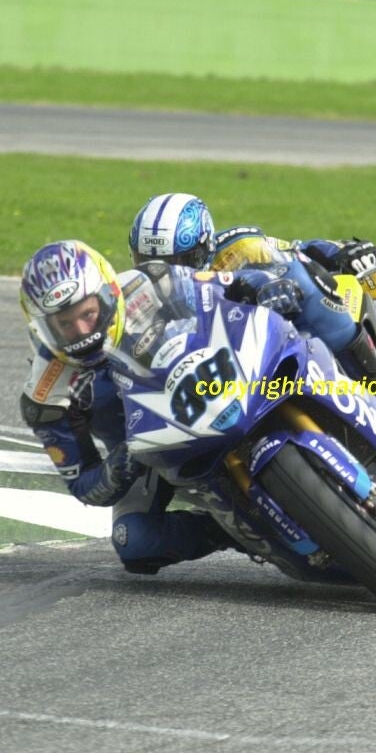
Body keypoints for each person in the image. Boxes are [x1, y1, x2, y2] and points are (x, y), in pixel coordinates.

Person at [127, 192, 376, 433]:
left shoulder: (240, 248)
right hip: (236, 381)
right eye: (148, 262)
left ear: (205, 246)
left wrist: (339, 252)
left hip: (292, 329)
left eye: (179, 261)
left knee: (338, 283)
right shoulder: (147, 306)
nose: (166, 272)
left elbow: (299, 250)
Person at [19, 240, 244, 575]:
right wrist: (117, 468)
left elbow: (231, 288)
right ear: (42, 327)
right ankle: (236, 532)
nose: (82, 331)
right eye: (65, 324)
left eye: (88, 314)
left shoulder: (153, 282)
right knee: (134, 542)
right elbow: (83, 485)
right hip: (149, 451)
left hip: (218, 381)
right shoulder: (46, 395)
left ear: (107, 294)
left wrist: (263, 286)